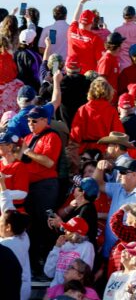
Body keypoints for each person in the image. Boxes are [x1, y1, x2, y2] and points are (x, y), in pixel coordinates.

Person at [20, 105, 63, 275]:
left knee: (44, 225)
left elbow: (49, 162)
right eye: (29, 121)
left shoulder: (52, 136)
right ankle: (34, 264)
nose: (30, 123)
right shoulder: (29, 137)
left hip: (46, 185)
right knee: (31, 226)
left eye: (34, 120)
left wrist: (27, 152)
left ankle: (45, 265)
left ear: (45, 120)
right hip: (30, 186)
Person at [93, 157, 136, 258]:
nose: (119, 175)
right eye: (119, 172)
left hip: (131, 256)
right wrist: (99, 168)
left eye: (123, 172)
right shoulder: (118, 188)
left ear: (135, 174)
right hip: (110, 252)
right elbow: (97, 184)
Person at [68, 76, 123, 161]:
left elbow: (75, 135)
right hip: (104, 152)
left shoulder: (83, 109)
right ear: (109, 92)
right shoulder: (111, 110)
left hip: (85, 153)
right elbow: (118, 135)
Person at [43, 216, 94, 286]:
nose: (65, 230)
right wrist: (56, 247)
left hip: (72, 291)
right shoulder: (63, 245)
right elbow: (48, 272)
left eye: (68, 229)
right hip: (55, 289)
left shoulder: (87, 246)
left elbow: (84, 274)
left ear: (76, 234)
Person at [67, 0, 105, 74]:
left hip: (71, 75)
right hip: (87, 79)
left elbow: (75, 19)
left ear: (80, 21)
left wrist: (81, 2)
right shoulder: (95, 39)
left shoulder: (71, 31)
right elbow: (101, 62)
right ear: (91, 23)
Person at [0, 210, 31, 300]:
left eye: (0, 222)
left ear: (8, 227)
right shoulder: (24, 237)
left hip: (13, 291)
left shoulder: (6, 245)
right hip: (24, 288)